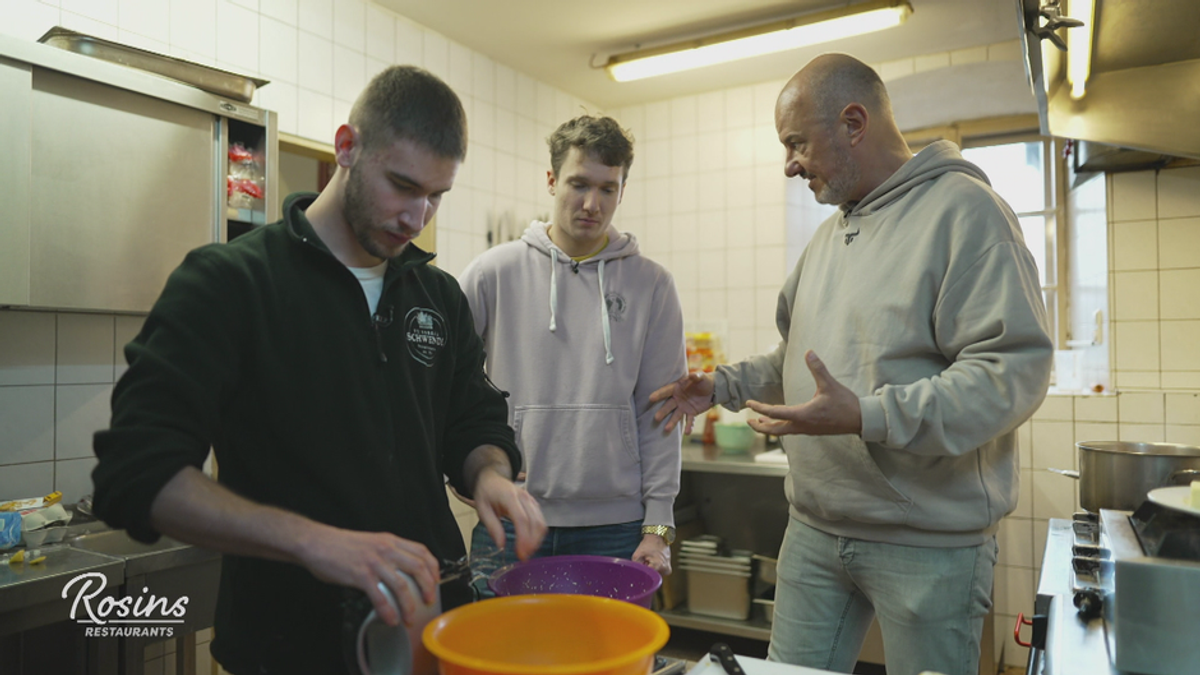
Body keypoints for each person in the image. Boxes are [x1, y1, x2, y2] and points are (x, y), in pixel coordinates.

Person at [91, 65, 546, 675]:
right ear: (346, 148)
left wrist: (490, 475)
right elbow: (136, 474)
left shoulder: (436, 295)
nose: (418, 215)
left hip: (428, 632)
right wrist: (315, 541)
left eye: (437, 195)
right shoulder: (231, 284)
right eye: (402, 185)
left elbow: (472, 421)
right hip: (285, 644)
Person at [651, 54, 1053, 675]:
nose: (789, 165)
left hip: (927, 541)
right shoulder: (827, 239)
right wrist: (721, 385)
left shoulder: (967, 214)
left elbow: (1010, 372)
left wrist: (866, 415)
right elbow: (798, 357)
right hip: (814, 528)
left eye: (796, 143)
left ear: (854, 122)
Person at [456, 115, 687, 587]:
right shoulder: (492, 273)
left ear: (622, 190)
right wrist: (466, 472)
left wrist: (659, 527)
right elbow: (444, 383)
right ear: (551, 180)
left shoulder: (652, 285)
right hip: (513, 515)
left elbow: (661, 414)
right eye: (578, 184)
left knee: (604, 661)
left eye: (607, 188)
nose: (591, 203)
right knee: (503, 659)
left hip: (616, 526)